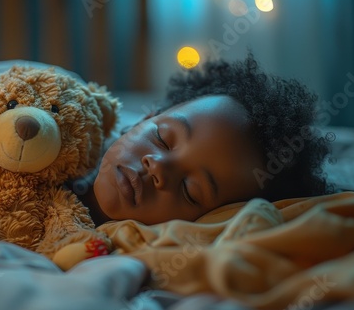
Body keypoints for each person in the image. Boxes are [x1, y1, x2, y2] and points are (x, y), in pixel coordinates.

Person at [75, 53, 331, 226]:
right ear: (142, 120)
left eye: (190, 190)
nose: (159, 168)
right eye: (162, 139)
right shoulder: (61, 123)